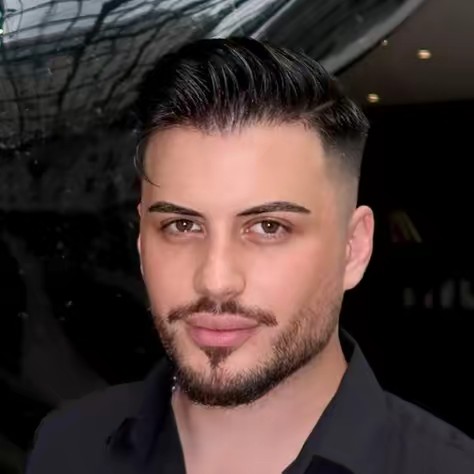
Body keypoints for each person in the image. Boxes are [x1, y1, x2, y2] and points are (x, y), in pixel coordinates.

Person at [26, 37, 474, 474]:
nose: (216, 280)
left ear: (353, 249)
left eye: (268, 227)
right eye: (182, 225)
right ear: (142, 243)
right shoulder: (69, 445)